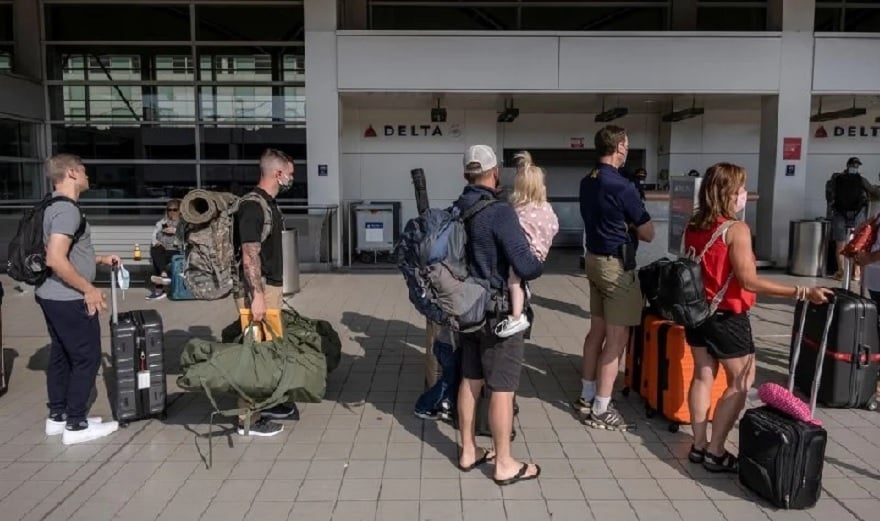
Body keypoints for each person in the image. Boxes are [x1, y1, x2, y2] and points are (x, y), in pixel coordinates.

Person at [683, 162, 830, 472]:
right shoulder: (735, 230)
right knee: (741, 380)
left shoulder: (694, 225)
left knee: (702, 375)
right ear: (728, 193)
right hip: (727, 318)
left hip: (697, 314)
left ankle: (697, 445)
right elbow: (749, 281)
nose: (745, 195)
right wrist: (800, 292)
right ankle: (716, 450)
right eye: (741, 189)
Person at [455, 144, 544, 485]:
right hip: (499, 313)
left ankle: (468, 450)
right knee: (502, 388)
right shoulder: (499, 212)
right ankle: (504, 462)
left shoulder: (457, 209)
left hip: (467, 309)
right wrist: (537, 259)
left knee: (470, 380)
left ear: (466, 174)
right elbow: (525, 265)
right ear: (494, 174)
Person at [37, 153, 121, 445]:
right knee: (87, 358)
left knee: (61, 355)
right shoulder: (67, 211)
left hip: (51, 295)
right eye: (84, 170)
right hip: (68, 297)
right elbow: (56, 259)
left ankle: (58, 417)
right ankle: (76, 424)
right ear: (72, 173)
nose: (88, 175)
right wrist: (89, 289)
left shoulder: (52, 205)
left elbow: (67, 253)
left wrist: (97, 258)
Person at [577, 125, 654, 430]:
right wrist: (631, 224)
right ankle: (601, 409)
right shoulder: (623, 187)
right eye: (627, 144)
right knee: (616, 341)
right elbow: (648, 232)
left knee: (596, 332)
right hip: (617, 269)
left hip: (594, 261)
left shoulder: (588, 181)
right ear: (620, 147)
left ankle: (587, 394)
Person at [232, 148, 300, 436]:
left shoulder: (269, 204)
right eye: (290, 173)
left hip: (269, 289)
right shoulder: (252, 207)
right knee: (255, 354)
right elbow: (249, 255)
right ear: (277, 173)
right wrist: (257, 295)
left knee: (268, 351)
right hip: (256, 291)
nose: (292, 178)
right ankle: (248, 419)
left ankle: (268, 404)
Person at [495, 151, 559, 338]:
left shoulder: (520, 210)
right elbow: (554, 226)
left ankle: (517, 316)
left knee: (513, 281)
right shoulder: (546, 208)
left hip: (525, 255)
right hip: (540, 254)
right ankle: (523, 294)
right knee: (520, 281)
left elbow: (511, 232)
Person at [826, 157, 880, 281]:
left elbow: (829, 194)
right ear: (856, 166)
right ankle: (856, 272)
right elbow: (875, 192)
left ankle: (841, 271)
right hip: (857, 214)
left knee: (840, 243)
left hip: (839, 213)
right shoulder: (861, 180)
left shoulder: (836, 178)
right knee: (858, 243)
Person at [146, 199, 182, 300]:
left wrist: (175, 231)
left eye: (175, 210)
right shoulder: (162, 222)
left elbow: (187, 236)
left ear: (180, 211)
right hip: (163, 250)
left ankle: (159, 291)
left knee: (157, 260)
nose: (172, 212)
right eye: (169, 210)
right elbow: (153, 236)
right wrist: (156, 242)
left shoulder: (183, 223)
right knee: (155, 250)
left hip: (176, 250)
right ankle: (163, 274)